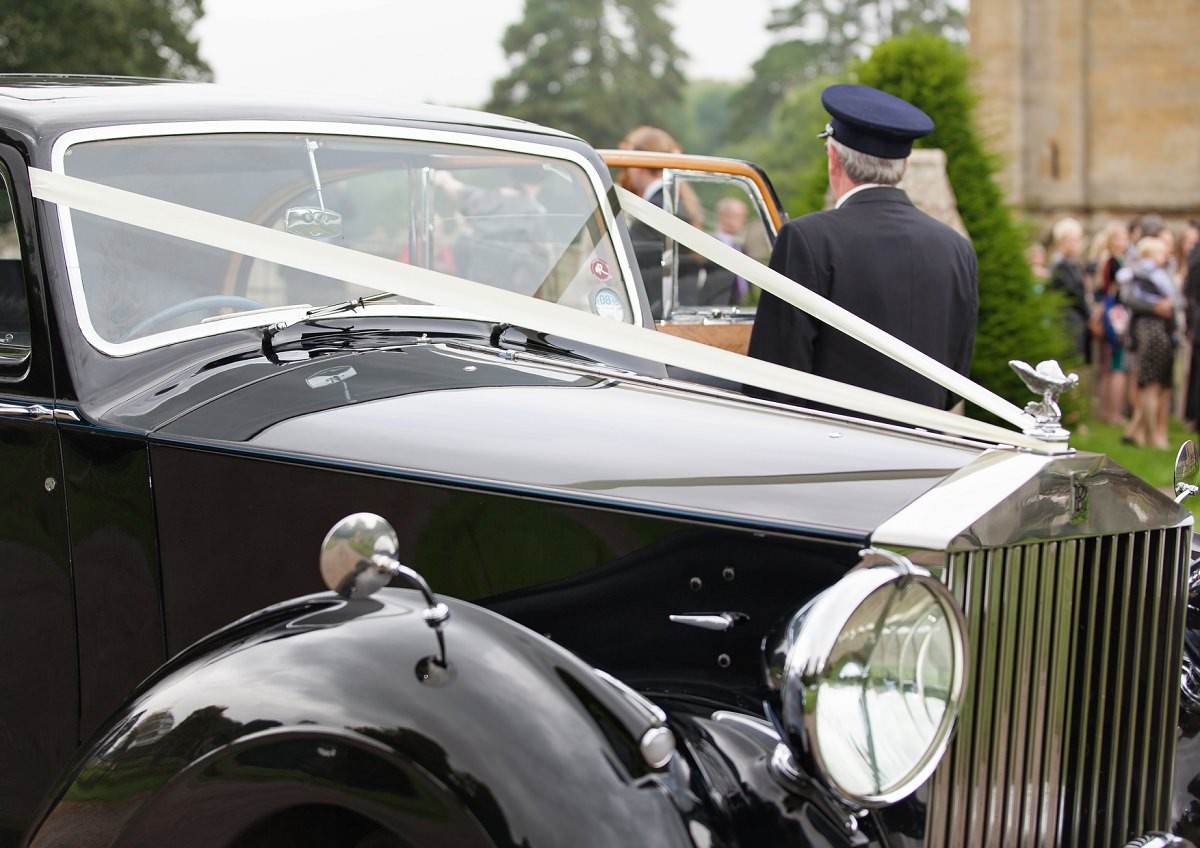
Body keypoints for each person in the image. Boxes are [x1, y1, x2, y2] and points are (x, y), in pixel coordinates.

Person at [746, 84, 978, 411]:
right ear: (905, 167)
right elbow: (956, 376)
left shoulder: (807, 238)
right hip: (929, 445)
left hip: (837, 450)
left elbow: (775, 376)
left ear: (833, 158)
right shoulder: (956, 248)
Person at [616, 125, 704, 317]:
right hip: (681, 309)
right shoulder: (678, 202)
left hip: (658, 314)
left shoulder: (652, 212)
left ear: (638, 164)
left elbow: (633, 275)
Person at [1118, 235, 1181, 448]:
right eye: (1161, 251)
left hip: (1161, 331)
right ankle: (1151, 435)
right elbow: (1130, 299)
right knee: (1150, 383)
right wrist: (1157, 307)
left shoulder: (1160, 274)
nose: (1166, 255)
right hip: (1151, 331)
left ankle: (1136, 431)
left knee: (1155, 384)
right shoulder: (1140, 274)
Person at [1046, 216, 1090, 364]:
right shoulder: (1061, 265)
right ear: (1063, 241)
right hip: (1067, 319)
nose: (1078, 244)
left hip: (1072, 317)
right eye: (1075, 240)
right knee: (1070, 364)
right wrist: (1088, 314)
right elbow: (1074, 293)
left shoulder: (1070, 264)